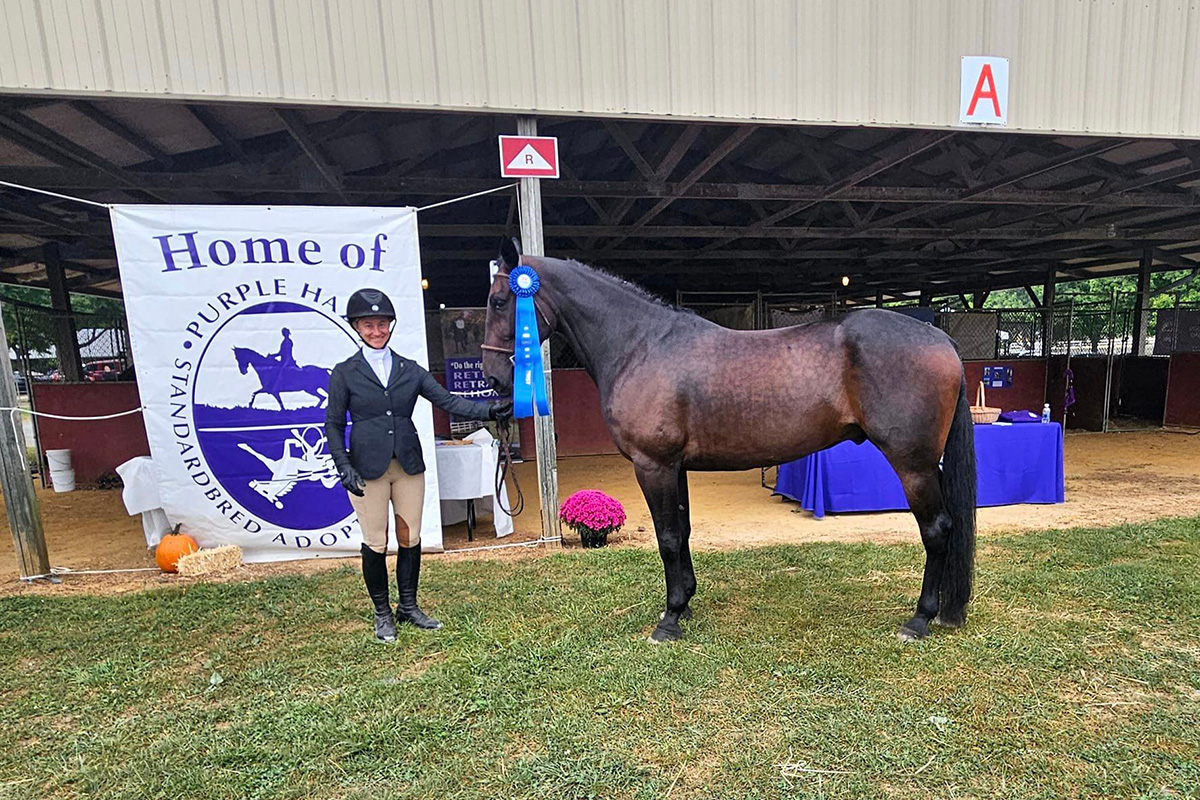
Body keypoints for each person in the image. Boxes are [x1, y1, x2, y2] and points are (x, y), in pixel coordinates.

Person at [325, 288, 511, 643]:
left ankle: (408, 605)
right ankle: (382, 612)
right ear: (357, 327)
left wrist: (489, 410)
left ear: (390, 326)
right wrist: (343, 464)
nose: (376, 331)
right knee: (376, 542)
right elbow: (333, 423)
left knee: (410, 537)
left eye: (382, 324)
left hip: (408, 464)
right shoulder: (344, 373)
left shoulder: (409, 370)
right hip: (367, 468)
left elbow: (447, 400)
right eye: (369, 325)